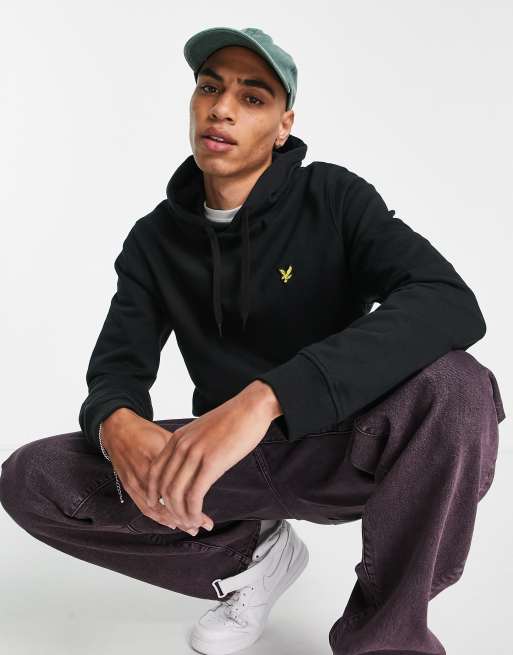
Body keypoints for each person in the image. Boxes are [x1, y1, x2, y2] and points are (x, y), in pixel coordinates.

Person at [0, 26, 506, 655]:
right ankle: (253, 560)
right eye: (209, 89)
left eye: (252, 98)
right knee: (32, 477)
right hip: (227, 465)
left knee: (459, 387)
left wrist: (267, 397)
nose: (222, 109)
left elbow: (448, 301)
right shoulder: (154, 240)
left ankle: (387, 638)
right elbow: (116, 369)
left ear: (283, 125)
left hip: (350, 449)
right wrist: (116, 423)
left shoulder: (333, 198)